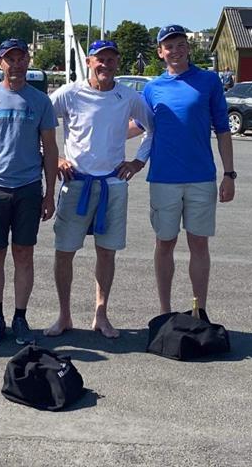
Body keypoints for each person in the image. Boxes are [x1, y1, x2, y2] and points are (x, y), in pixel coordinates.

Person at [44, 40, 154, 339]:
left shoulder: (128, 96)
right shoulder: (69, 93)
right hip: (76, 182)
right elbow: (40, 124)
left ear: (118, 62)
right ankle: (64, 315)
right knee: (64, 252)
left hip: (113, 184)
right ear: (90, 62)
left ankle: (101, 315)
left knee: (106, 253)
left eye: (111, 59)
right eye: (100, 59)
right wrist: (56, 158)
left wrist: (137, 163)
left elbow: (152, 129)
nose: (106, 64)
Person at [138, 24, 235, 319]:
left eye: (181, 45)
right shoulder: (152, 88)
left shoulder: (208, 81)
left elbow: (222, 129)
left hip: (200, 178)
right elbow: (142, 127)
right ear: (160, 52)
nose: (175, 51)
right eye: (169, 47)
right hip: (164, 179)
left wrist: (229, 174)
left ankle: (199, 309)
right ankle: (165, 311)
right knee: (164, 243)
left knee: (198, 245)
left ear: (188, 48)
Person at [0, 38, 58, 345]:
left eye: (21, 59)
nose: (16, 64)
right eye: (10, 59)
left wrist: (48, 194)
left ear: (28, 61)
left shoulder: (40, 101)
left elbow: (50, 148)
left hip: (28, 188)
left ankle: (20, 317)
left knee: (23, 254)